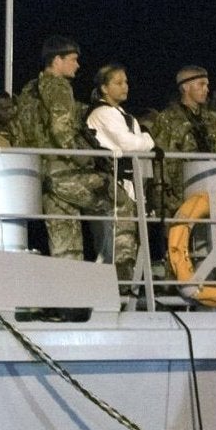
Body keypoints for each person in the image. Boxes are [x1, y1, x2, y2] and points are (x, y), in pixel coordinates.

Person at [9, 36, 103, 260]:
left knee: (64, 240)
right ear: (57, 60)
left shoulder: (29, 90)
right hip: (62, 171)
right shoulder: (60, 86)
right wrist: (86, 158)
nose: (77, 65)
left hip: (38, 173)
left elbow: (18, 129)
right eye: (73, 59)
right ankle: (122, 278)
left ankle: (69, 287)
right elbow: (62, 131)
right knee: (121, 204)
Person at [84, 65, 155, 276]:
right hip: (111, 184)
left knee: (128, 240)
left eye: (126, 82)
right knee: (111, 243)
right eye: (118, 82)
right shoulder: (102, 113)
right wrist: (147, 139)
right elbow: (129, 143)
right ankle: (113, 286)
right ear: (105, 88)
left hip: (128, 184)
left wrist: (141, 140)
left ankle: (126, 283)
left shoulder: (123, 115)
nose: (125, 86)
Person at [148, 65, 216, 223]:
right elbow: (160, 161)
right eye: (201, 84)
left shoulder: (212, 119)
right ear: (185, 87)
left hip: (212, 188)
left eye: (207, 85)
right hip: (180, 194)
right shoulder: (167, 119)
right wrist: (165, 199)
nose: (206, 89)